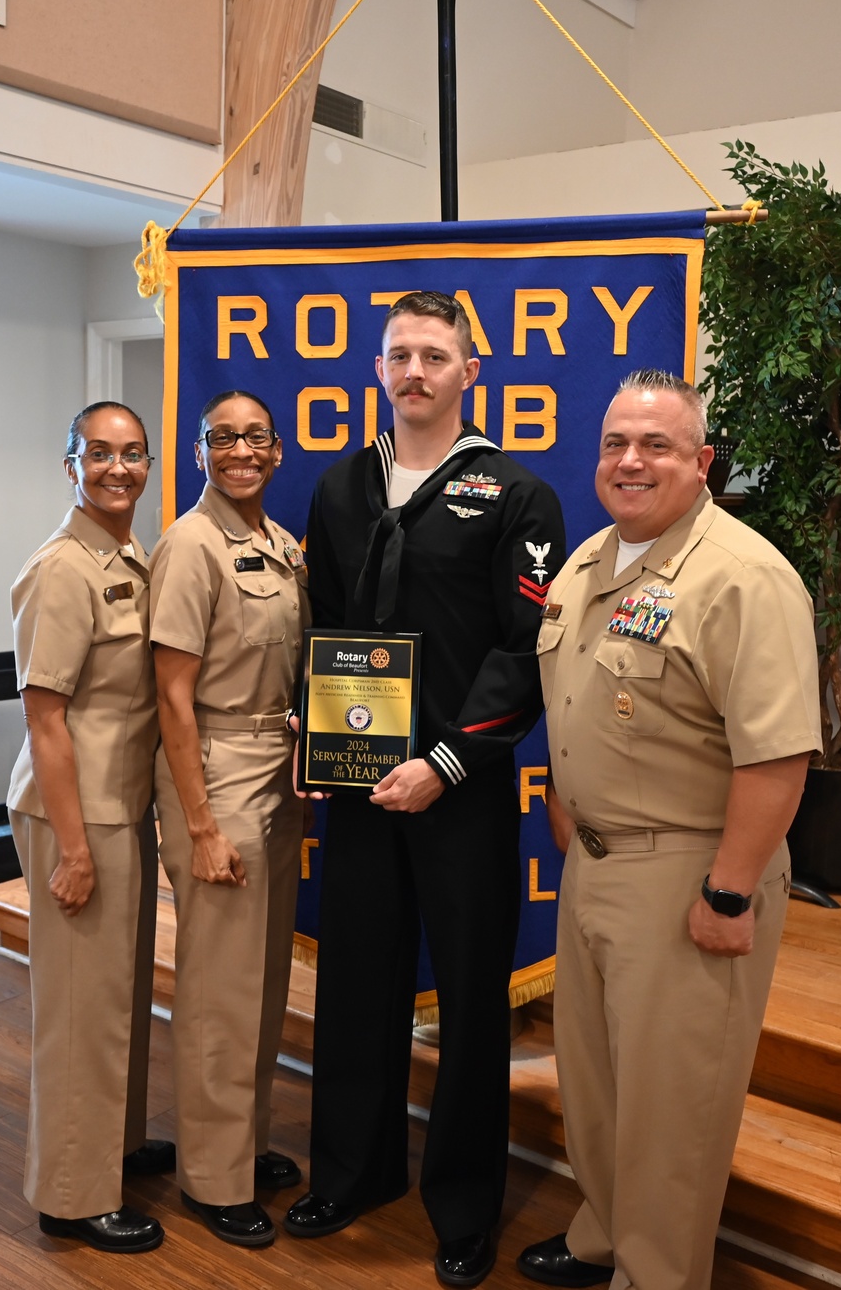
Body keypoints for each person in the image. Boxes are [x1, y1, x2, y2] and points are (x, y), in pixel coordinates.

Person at [284, 291, 566, 1287]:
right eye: (399, 354)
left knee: (469, 1006)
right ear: (378, 369)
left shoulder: (518, 495)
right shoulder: (341, 487)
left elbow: (524, 648)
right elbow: (321, 620)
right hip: (359, 785)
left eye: (434, 355)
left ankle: (462, 1207)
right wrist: (309, 728)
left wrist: (444, 762)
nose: (415, 371)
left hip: (460, 787)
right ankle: (352, 1173)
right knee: (357, 984)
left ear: (467, 372)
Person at [517, 369, 821, 1290]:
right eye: (615, 443)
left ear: (702, 462)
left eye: (656, 444)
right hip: (596, 866)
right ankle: (603, 1235)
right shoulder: (587, 561)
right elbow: (570, 695)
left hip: (691, 871)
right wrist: (569, 805)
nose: (630, 460)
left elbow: (775, 759)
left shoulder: (745, 578)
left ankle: (655, 1276)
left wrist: (729, 889)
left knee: (672, 1106)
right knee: (600, 1084)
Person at [150, 389, 310, 1248]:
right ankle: (213, 1176)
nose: (241, 450)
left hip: (275, 775)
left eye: (256, 437)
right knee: (218, 987)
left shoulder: (278, 544)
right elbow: (173, 699)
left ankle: (240, 1143)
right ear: (202, 450)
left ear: (277, 450)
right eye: (224, 438)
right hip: (214, 774)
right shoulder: (190, 544)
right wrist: (202, 826)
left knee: (261, 978)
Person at [7, 401, 169, 1254]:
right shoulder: (62, 569)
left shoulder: (128, 555)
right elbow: (46, 722)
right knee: (79, 1006)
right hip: (78, 815)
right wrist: (73, 849)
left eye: (132, 454)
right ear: (68, 463)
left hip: (120, 806)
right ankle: (72, 1193)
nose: (117, 468)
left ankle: (110, 1145)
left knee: (116, 996)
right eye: (98, 454)